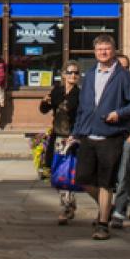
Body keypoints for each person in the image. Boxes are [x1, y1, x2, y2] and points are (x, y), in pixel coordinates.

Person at [73, 35, 130, 241]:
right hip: (88, 134)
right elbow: (83, 106)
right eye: (99, 49)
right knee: (84, 180)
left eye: (107, 49)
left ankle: (103, 224)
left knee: (106, 182)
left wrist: (119, 114)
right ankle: (107, 205)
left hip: (110, 136)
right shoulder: (89, 75)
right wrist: (76, 132)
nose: (103, 52)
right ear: (94, 52)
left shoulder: (123, 76)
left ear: (114, 51)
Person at [39, 66, 82, 224]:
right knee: (57, 172)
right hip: (58, 136)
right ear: (63, 74)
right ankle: (68, 203)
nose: (73, 75)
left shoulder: (81, 94)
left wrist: (77, 135)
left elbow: (81, 115)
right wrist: (44, 101)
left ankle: (68, 206)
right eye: (70, 72)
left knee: (69, 173)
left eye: (76, 72)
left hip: (73, 138)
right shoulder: (57, 91)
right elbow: (44, 109)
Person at [109, 54, 130, 228]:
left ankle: (119, 212)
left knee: (123, 175)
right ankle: (106, 208)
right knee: (106, 176)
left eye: (125, 67)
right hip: (108, 136)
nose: (122, 71)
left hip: (126, 137)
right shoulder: (108, 84)